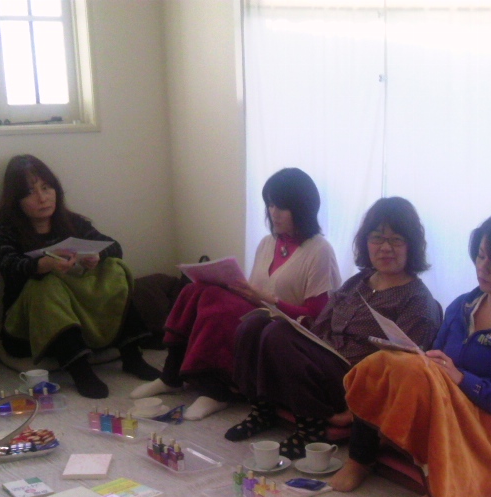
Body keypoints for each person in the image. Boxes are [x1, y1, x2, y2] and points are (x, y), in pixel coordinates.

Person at [336, 210, 491, 497]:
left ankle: (442, 488)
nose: (482, 267)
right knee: (389, 360)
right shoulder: (463, 305)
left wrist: (462, 379)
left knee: (412, 373)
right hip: (449, 402)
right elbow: (433, 358)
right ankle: (360, 458)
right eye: (480, 255)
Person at [225, 196, 442, 459]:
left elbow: (403, 369)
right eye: (377, 238)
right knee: (255, 323)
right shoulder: (359, 281)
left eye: (396, 240)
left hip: (356, 380)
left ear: (412, 246)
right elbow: (320, 325)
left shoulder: (417, 301)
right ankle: (262, 410)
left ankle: (311, 428)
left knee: (277, 333)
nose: (385, 248)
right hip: (324, 362)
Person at [133, 168, 342, 421]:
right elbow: (254, 291)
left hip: (286, 329)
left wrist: (268, 299)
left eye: (282, 207)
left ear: (303, 208)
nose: (274, 212)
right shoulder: (268, 242)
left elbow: (316, 318)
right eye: (270, 204)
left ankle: (217, 391)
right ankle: (170, 375)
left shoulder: (319, 250)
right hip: (259, 314)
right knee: (194, 290)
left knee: (218, 306)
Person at [0, 155, 160, 399]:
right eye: (30, 192)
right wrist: (43, 265)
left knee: (113, 267)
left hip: (80, 317)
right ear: (15, 200)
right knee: (46, 284)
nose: (42, 198)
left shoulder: (73, 223)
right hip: (27, 328)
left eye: (46, 188)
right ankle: (80, 370)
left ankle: (132, 356)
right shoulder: (4, 232)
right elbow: (9, 266)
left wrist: (96, 256)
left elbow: (113, 246)